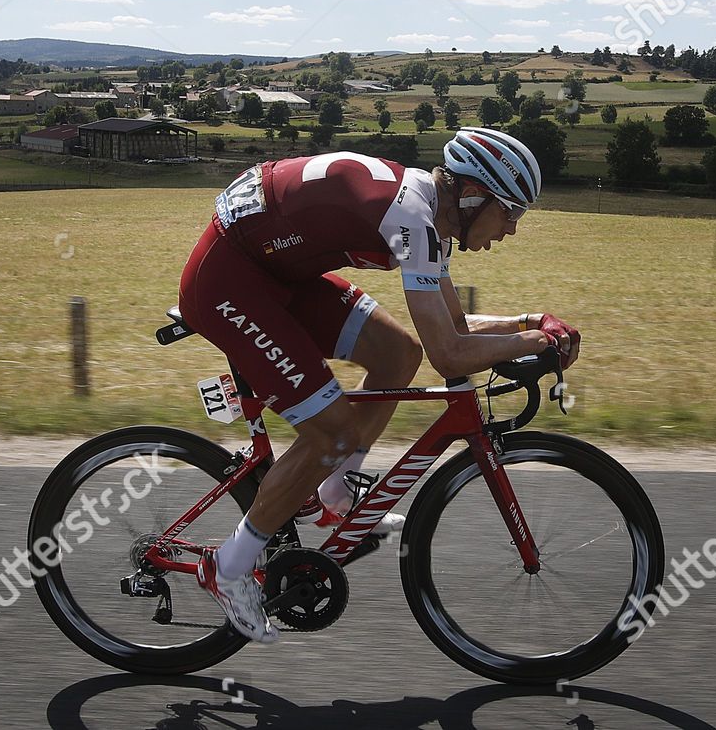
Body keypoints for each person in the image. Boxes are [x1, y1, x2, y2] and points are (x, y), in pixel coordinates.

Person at [176, 127, 581, 643]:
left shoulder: (428, 214)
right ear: (474, 195)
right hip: (229, 280)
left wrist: (534, 322)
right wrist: (534, 343)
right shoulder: (413, 218)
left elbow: (452, 328)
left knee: (397, 355)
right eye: (511, 212)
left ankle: (335, 491)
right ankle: (228, 568)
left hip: (278, 270)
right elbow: (450, 353)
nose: (513, 230)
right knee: (332, 432)